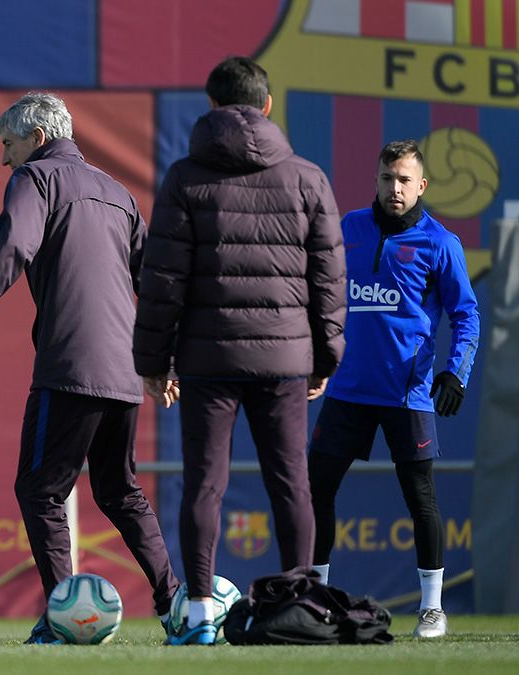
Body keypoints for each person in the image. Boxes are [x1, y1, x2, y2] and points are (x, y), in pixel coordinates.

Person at [0, 92, 180, 644]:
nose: (4, 159)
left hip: (70, 364)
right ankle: (175, 606)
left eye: (9, 145)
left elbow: (13, 248)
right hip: (123, 371)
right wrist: (164, 359)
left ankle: (63, 618)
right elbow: (155, 282)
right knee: (120, 491)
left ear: (37, 139)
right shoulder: (118, 192)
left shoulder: (35, 180)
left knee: (40, 490)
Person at [132, 56, 346, 646]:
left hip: (207, 360)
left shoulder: (183, 177)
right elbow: (329, 279)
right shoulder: (308, 177)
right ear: (268, 106)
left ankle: (199, 612)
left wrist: (154, 361)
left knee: (203, 484)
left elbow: (163, 280)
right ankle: (300, 605)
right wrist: (325, 356)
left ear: (213, 108)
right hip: (285, 361)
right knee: (292, 483)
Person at [306, 139, 479, 639]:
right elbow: (325, 295)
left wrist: (455, 372)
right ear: (376, 180)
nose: (395, 188)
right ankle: (318, 600)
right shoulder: (350, 229)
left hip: (409, 395)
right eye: (387, 178)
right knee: (317, 490)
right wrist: (318, 356)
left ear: (421, 185)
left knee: (420, 499)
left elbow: (467, 314)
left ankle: (431, 609)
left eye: (405, 180)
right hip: (348, 392)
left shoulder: (441, 243)